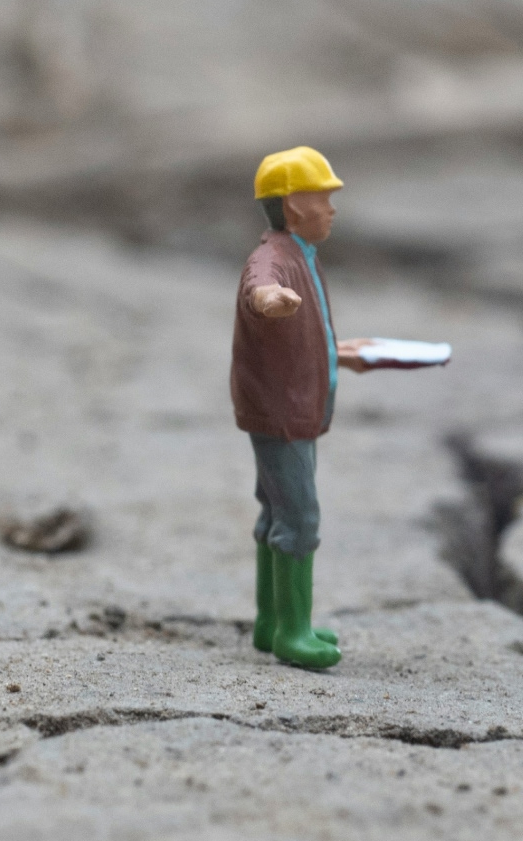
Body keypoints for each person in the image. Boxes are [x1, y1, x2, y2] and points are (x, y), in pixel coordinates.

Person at [231, 146, 371, 669]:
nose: (332, 208)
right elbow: (258, 289)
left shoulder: (302, 256)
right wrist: (269, 302)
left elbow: (303, 333)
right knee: (301, 518)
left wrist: (340, 354)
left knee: (276, 511)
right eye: (323, 198)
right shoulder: (273, 260)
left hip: (294, 407)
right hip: (282, 413)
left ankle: (272, 623)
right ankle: (294, 631)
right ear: (292, 206)